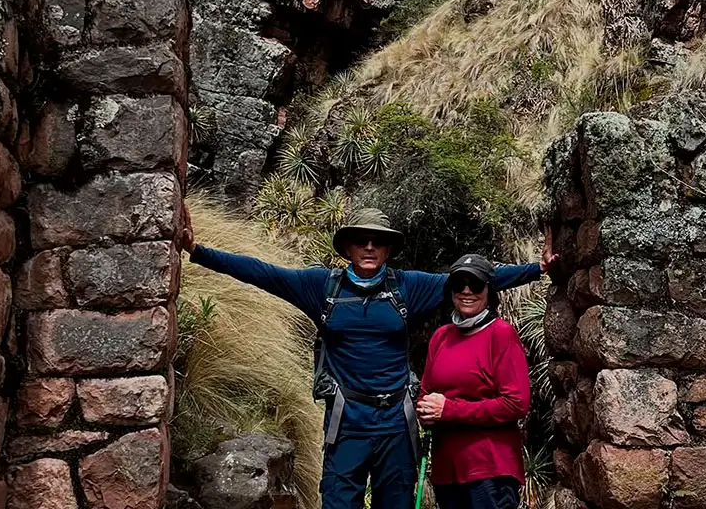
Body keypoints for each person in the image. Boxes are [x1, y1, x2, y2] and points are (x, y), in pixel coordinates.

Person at [179, 206, 557, 509]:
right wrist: (197, 252)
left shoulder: (406, 287)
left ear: (389, 248)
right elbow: (262, 273)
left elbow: (468, 282)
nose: (370, 247)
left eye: (379, 241)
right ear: (348, 247)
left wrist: (536, 269)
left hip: (396, 422)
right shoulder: (321, 287)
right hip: (346, 423)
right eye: (361, 240)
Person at [416, 253, 532, 509]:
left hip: (489, 470)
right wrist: (425, 410)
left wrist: (450, 410)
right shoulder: (441, 337)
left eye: (476, 284)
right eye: (459, 285)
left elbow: (516, 404)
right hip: (448, 471)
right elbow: (426, 393)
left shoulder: (501, 335)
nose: (467, 291)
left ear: (489, 291)